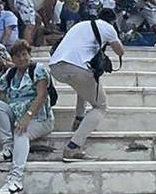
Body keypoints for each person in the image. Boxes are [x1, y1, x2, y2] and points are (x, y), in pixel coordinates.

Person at [0, 40, 54, 194]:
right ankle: (8, 147)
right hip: (17, 116)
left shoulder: (38, 69)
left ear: (29, 55)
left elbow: (41, 95)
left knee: (21, 133)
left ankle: (16, 181)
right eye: (18, 56)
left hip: (40, 119)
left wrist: (27, 117)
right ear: (12, 58)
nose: (22, 58)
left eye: (25, 54)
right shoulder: (11, 73)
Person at [49, 9, 125, 161]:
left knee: (83, 87)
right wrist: (113, 37)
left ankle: (78, 119)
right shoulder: (108, 28)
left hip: (56, 66)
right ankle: (73, 147)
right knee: (101, 107)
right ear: (111, 21)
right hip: (77, 67)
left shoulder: (80, 25)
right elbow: (120, 51)